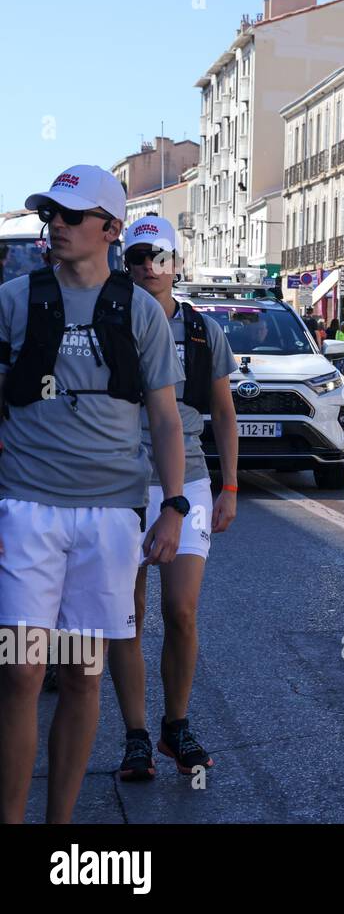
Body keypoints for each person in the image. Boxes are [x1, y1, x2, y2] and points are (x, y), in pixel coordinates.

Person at [0, 165, 187, 823]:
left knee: (81, 674)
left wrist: (174, 503)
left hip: (107, 521)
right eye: (50, 212)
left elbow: (165, 419)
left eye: (71, 215)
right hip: (26, 514)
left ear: (109, 228)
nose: (55, 224)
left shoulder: (140, 312)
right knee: (21, 670)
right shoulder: (15, 300)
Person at [108, 216, 239, 781]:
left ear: (175, 263)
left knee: (181, 612)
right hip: (120, 483)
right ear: (126, 262)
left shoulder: (204, 332)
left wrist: (230, 485)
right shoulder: (108, 323)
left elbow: (225, 413)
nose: (146, 266)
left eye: (157, 256)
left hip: (187, 482)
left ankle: (175, 726)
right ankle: (136, 736)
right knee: (127, 617)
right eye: (137, 256)